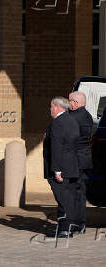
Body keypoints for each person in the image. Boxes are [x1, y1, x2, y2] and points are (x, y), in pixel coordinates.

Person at [43, 97, 80, 238]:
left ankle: (64, 229)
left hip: (61, 169)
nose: (50, 109)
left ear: (57, 107)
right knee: (68, 198)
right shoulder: (72, 121)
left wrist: (57, 170)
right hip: (71, 167)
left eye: (51, 106)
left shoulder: (58, 123)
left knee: (62, 199)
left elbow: (57, 147)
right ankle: (68, 228)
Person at [69, 91, 93, 234]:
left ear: (76, 103)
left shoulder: (73, 117)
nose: (68, 104)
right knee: (81, 193)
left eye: (70, 101)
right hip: (85, 159)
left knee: (72, 193)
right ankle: (81, 224)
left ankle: (74, 223)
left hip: (75, 160)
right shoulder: (88, 116)